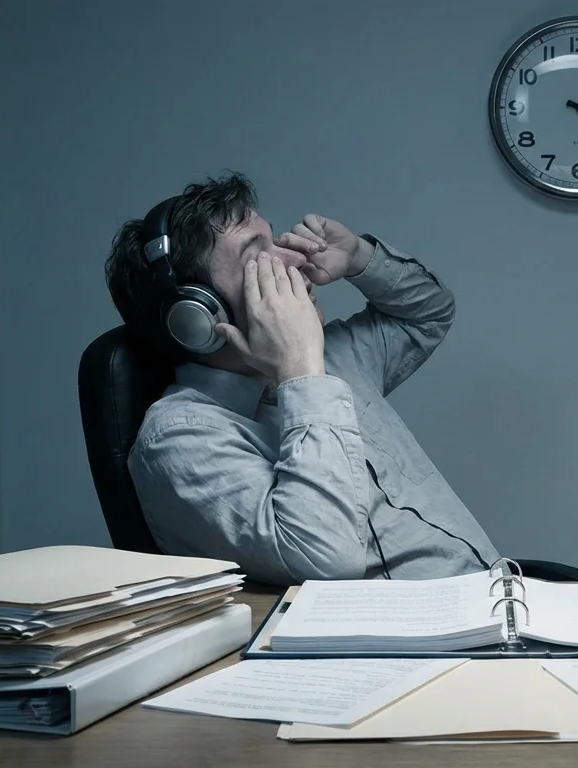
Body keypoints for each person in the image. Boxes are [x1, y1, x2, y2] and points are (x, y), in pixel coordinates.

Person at [104, 172, 501, 586]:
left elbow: (429, 314)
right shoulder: (179, 440)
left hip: (491, 600)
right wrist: (299, 369)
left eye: (274, 240)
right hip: (422, 644)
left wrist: (359, 259)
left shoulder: (335, 356)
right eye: (258, 259)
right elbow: (327, 560)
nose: (295, 260)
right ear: (199, 317)